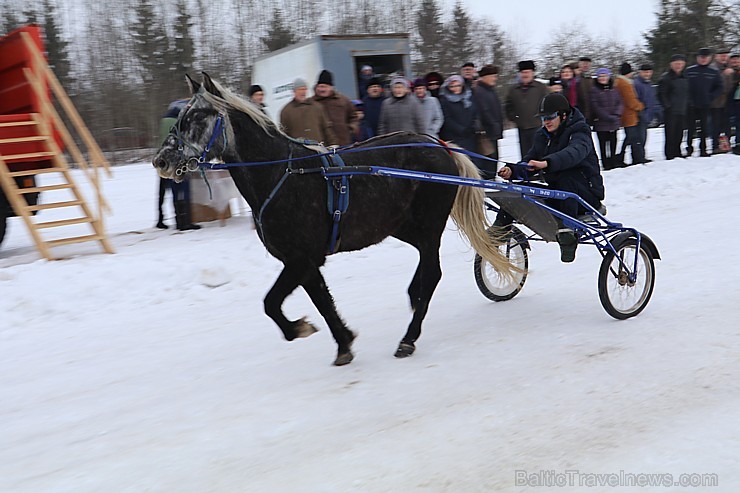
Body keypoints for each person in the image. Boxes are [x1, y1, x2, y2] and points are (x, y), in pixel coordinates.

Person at [496, 93, 604, 263]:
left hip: (585, 196)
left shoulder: (580, 130)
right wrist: (513, 170)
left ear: (563, 115)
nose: (546, 121)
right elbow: (530, 161)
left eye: (550, 117)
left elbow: (573, 154)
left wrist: (546, 163)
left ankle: (568, 233)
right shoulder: (542, 136)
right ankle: (499, 229)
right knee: (520, 189)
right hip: (558, 194)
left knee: (567, 177)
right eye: (543, 118)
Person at [156, 98, 200, 231]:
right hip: (176, 161)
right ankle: (184, 222)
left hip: (162, 160)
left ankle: (161, 219)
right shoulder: (177, 121)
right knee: (182, 190)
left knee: (163, 191)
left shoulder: (164, 120)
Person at [505, 60, 549, 159]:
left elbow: (547, 104)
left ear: (532, 73)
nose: (525, 75)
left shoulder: (540, 88)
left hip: (538, 126)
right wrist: (514, 118)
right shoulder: (513, 89)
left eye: (527, 72)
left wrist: (543, 118)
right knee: (525, 154)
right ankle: (527, 173)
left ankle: (541, 173)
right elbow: (508, 106)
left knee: (539, 152)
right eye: (523, 72)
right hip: (522, 128)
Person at [685, 48, 723, 157]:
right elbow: (684, 86)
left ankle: (703, 149)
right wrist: (688, 99)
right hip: (691, 104)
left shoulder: (714, 72)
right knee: (690, 128)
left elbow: (719, 87)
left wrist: (711, 97)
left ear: (709, 58)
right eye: (701, 57)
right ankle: (689, 148)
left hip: (705, 104)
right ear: (697, 58)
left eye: (705, 58)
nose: (703, 59)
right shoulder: (690, 71)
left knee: (704, 128)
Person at [280, 77, 337, 144]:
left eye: (304, 89)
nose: (303, 92)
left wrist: (333, 144)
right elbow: (284, 135)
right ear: (294, 91)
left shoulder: (317, 107)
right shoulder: (286, 111)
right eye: (300, 89)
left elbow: (327, 128)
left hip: (319, 150)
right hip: (300, 152)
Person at [439, 75, 480, 166]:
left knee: (474, 161)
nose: (455, 88)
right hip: (455, 137)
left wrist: (473, 126)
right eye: (452, 86)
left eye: (458, 85)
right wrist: (461, 129)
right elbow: (447, 119)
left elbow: (475, 111)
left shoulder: (468, 97)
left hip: (470, 136)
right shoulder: (444, 100)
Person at [310, 69, 357, 146]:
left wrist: (352, 128)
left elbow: (353, 116)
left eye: (325, 86)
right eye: (320, 86)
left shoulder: (343, 100)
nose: (322, 89)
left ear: (331, 87)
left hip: (343, 143)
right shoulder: (311, 103)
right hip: (320, 146)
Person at [590, 68, 623, 170]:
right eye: (600, 76)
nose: (603, 78)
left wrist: (617, 114)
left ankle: (613, 161)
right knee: (603, 145)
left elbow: (620, 102)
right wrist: (607, 117)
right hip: (601, 123)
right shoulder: (594, 90)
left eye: (605, 76)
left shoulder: (614, 89)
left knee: (614, 143)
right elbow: (595, 106)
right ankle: (605, 163)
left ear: (609, 77)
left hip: (614, 122)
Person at [658, 54, 690, 160]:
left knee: (680, 133)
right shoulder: (666, 78)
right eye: (676, 64)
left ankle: (678, 151)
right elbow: (662, 94)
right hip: (671, 111)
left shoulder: (685, 77)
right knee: (670, 133)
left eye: (680, 64)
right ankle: (670, 153)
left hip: (683, 109)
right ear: (671, 65)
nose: (678, 66)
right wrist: (668, 106)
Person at [473, 65, 504, 169]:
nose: (495, 78)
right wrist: (494, 124)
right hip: (486, 134)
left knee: (494, 161)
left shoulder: (490, 90)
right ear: (484, 77)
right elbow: (484, 111)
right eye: (492, 76)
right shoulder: (479, 91)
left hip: (493, 132)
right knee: (489, 162)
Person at [614, 62, 645, 165]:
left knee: (630, 138)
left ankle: (624, 157)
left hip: (625, 114)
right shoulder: (625, 84)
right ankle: (623, 158)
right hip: (629, 115)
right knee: (631, 138)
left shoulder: (618, 82)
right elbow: (630, 101)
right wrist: (640, 106)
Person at [709, 49, 733, 153]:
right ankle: (715, 146)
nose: (724, 58)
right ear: (716, 57)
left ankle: (726, 145)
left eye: (725, 56)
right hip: (716, 103)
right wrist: (724, 74)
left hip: (728, 102)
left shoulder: (731, 68)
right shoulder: (712, 69)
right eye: (721, 56)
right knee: (716, 126)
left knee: (727, 125)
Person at [633, 63, 658, 161]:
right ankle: (638, 158)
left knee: (643, 138)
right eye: (645, 72)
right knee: (639, 138)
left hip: (648, 115)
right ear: (640, 72)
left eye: (649, 72)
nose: (647, 74)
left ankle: (641, 156)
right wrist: (641, 114)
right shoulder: (637, 84)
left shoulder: (649, 84)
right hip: (640, 115)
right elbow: (637, 100)